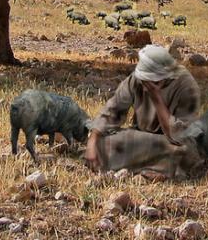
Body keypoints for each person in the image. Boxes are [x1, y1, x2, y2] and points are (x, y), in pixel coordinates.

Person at [84, 44, 201, 177]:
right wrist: (92, 141)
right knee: (102, 143)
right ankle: (155, 169)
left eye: (153, 82)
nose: (146, 87)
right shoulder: (137, 79)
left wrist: (156, 97)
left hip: (173, 143)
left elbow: (180, 136)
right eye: (145, 82)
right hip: (142, 138)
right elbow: (112, 111)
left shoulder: (187, 86)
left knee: (187, 154)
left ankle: (152, 169)